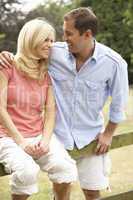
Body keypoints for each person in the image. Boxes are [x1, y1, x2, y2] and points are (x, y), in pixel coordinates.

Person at [0, 7, 129, 200]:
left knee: (92, 190)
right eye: (62, 32)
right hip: (58, 135)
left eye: (68, 33)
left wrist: (108, 134)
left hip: (90, 136)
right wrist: (5, 54)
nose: (61, 39)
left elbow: (119, 105)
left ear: (87, 34)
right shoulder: (54, 53)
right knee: (56, 184)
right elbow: (28, 52)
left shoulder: (114, 63)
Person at [0, 18, 77, 200]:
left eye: (52, 40)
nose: (50, 45)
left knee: (65, 168)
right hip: (7, 137)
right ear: (31, 38)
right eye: (46, 39)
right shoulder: (7, 67)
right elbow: (0, 109)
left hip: (37, 135)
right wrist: (21, 142)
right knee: (27, 172)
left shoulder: (45, 74)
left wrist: (45, 140)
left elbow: (50, 111)